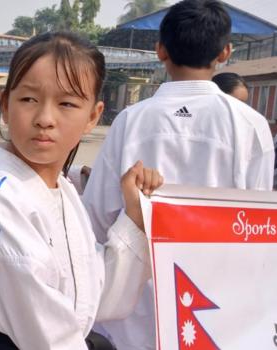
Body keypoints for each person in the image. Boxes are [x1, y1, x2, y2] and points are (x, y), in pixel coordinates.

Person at [0, 31, 164, 350]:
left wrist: (134, 216)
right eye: (29, 100)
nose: (45, 119)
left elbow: (88, 293)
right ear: (6, 105)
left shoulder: (60, 189)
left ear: (93, 115)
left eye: (66, 103)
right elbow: (47, 332)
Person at [83, 1, 275, 348]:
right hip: (216, 310)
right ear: (225, 52)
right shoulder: (251, 125)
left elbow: (96, 216)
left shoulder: (131, 121)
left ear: (160, 50)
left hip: (136, 311)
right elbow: (256, 232)